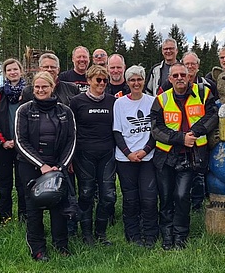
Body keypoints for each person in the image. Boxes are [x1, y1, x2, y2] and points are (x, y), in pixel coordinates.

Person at [151, 63, 218, 250]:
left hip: (191, 156)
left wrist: (194, 132)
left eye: (183, 74)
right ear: (170, 79)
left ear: (189, 76)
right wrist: (180, 138)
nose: (180, 78)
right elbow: (156, 129)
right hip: (165, 156)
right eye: (176, 75)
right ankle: (167, 234)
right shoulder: (161, 99)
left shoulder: (204, 93)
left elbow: (213, 115)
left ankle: (180, 236)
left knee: (181, 196)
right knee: (165, 197)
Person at [16, 71, 76, 261]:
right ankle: (38, 248)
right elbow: (20, 141)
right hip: (31, 166)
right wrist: (41, 165)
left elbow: (71, 140)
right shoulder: (24, 110)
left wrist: (61, 166)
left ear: (52, 88)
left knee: (59, 206)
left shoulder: (65, 111)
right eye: (37, 87)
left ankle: (61, 244)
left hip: (57, 166)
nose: (41, 90)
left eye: (44, 87)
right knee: (33, 208)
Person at [70, 65, 117, 246]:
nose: (102, 83)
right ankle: (87, 234)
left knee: (108, 196)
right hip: (84, 154)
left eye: (105, 80)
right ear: (89, 80)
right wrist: (71, 157)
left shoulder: (112, 101)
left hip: (107, 154)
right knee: (86, 194)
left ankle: (101, 233)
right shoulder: (76, 102)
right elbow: (70, 131)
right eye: (98, 80)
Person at [113, 65, 158, 248]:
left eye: (139, 79)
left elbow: (156, 130)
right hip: (125, 159)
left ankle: (150, 234)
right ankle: (133, 234)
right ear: (127, 82)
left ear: (144, 80)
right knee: (130, 199)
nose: (136, 83)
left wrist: (145, 151)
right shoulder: (120, 103)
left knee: (148, 198)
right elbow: (117, 132)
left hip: (148, 157)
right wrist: (129, 153)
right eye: (132, 80)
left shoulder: (152, 101)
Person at [0, 58, 28, 223]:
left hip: (24, 148)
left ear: (21, 71)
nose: (13, 72)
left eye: (15, 69)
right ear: (5, 73)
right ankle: (5, 218)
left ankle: (24, 217)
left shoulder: (28, 93)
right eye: (9, 70)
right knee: (4, 185)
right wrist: (2, 141)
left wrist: (23, 142)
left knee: (23, 185)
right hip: (3, 147)